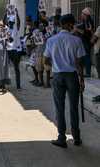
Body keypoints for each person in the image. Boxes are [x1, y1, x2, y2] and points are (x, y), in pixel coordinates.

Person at [44, 14, 85, 148]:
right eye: (72, 24)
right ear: (68, 25)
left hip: (57, 75)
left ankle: (61, 138)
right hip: (72, 76)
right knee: (74, 107)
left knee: (59, 108)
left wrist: (55, 64)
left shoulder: (51, 40)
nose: (74, 26)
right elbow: (79, 63)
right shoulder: (76, 40)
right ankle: (76, 137)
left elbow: (46, 60)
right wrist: (82, 79)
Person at [6, 7, 22, 89]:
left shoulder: (16, 28)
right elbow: (3, 22)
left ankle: (18, 85)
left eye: (12, 22)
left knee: (16, 68)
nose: (11, 23)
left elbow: (19, 23)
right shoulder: (6, 29)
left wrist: (17, 13)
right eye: (10, 22)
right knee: (5, 67)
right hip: (8, 50)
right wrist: (6, 13)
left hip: (15, 50)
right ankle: (4, 83)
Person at [80, 7, 94, 77]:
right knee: (85, 56)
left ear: (85, 14)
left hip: (86, 41)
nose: (81, 15)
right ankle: (87, 72)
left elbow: (87, 32)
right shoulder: (87, 21)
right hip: (86, 41)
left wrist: (77, 30)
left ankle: (88, 73)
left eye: (82, 14)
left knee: (87, 56)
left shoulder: (88, 21)